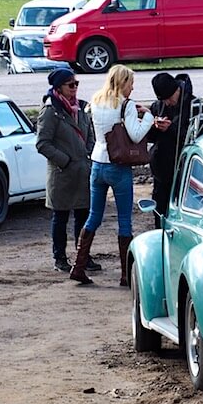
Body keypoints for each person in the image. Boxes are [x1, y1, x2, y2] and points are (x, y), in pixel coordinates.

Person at [73, 64, 159, 287]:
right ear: (123, 83)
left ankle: (78, 265)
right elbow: (136, 133)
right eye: (131, 83)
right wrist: (148, 117)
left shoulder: (97, 100)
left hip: (98, 162)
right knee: (124, 221)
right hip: (118, 166)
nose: (132, 88)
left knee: (94, 216)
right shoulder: (126, 105)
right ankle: (125, 274)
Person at [35, 67, 95, 273]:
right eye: (71, 85)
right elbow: (42, 144)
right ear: (59, 87)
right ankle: (59, 257)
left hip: (82, 172)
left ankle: (83, 256)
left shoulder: (82, 107)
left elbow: (89, 134)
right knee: (60, 218)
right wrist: (66, 161)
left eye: (76, 84)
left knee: (83, 216)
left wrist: (87, 153)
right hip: (62, 175)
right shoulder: (51, 111)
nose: (75, 88)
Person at [146, 72, 194, 219]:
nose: (166, 103)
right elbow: (150, 138)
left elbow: (195, 137)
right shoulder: (157, 105)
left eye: (168, 98)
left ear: (177, 90)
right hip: (161, 168)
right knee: (159, 210)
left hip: (185, 168)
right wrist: (152, 125)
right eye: (162, 100)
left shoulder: (193, 105)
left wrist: (171, 128)